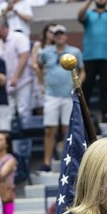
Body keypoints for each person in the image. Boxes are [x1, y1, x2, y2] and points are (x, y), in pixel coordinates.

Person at [37, 25, 84, 173]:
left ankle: (68, 160)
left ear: (66, 36)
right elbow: (38, 66)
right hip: (51, 95)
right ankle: (47, 162)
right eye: (56, 34)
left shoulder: (75, 51)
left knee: (67, 129)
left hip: (68, 95)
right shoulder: (45, 52)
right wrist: (41, 83)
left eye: (61, 34)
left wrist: (77, 85)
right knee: (49, 129)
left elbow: (82, 71)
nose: (59, 37)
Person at [0, 18, 35, 121]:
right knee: (9, 112)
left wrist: (16, 77)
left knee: (23, 109)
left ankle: (25, 134)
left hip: (23, 80)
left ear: (6, 28)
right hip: (7, 83)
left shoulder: (19, 37)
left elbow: (24, 56)